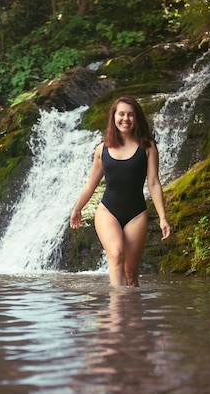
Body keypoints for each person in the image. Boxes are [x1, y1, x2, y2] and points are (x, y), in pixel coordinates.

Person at [70, 95, 170, 287]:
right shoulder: (102, 149)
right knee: (116, 254)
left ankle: (131, 314)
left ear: (136, 118)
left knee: (131, 274)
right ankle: (117, 312)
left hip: (136, 214)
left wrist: (163, 217)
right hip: (108, 211)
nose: (125, 119)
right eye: (121, 114)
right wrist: (77, 208)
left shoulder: (147, 147)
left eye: (130, 115)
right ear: (114, 117)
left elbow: (154, 183)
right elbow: (91, 184)